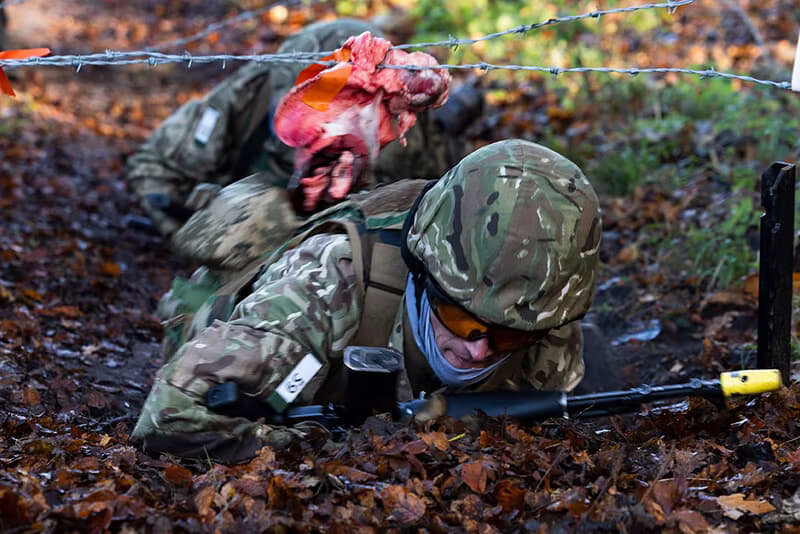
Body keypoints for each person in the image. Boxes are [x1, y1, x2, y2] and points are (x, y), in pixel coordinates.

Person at [132, 139, 603, 463]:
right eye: (461, 320)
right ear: (424, 278)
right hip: (260, 334)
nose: (479, 351)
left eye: (507, 335)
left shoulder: (545, 317)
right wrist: (316, 445)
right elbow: (170, 413)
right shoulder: (329, 281)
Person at [125, 18, 479, 259]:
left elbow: (446, 206)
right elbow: (153, 167)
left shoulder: (409, 129)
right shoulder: (255, 92)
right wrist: (205, 229)